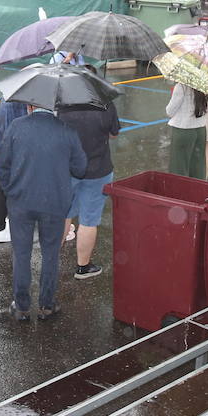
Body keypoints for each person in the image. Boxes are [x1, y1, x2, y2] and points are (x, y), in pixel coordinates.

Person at [0, 104, 87, 320]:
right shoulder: (66, 130)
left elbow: (2, 164)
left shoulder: (16, 127)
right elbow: (81, 168)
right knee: (50, 254)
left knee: (22, 253)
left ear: (29, 106)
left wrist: (11, 190)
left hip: (21, 202)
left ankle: (21, 307)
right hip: (54, 202)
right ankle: (47, 305)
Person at [57, 95, 120, 279]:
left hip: (67, 169)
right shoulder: (105, 104)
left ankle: (51, 259)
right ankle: (83, 267)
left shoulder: (63, 104)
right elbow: (114, 133)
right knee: (89, 220)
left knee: (63, 214)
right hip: (98, 170)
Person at [0, 99, 29, 244]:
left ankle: (0, 226)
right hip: (13, 149)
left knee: (3, 187)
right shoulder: (20, 104)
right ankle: (12, 226)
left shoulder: (6, 98)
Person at [165, 84, 208, 179]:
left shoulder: (181, 87)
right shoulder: (204, 86)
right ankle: (197, 190)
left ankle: (179, 192)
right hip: (201, 129)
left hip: (183, 129)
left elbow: (169, 111)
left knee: (179, 167)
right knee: (198, 166)